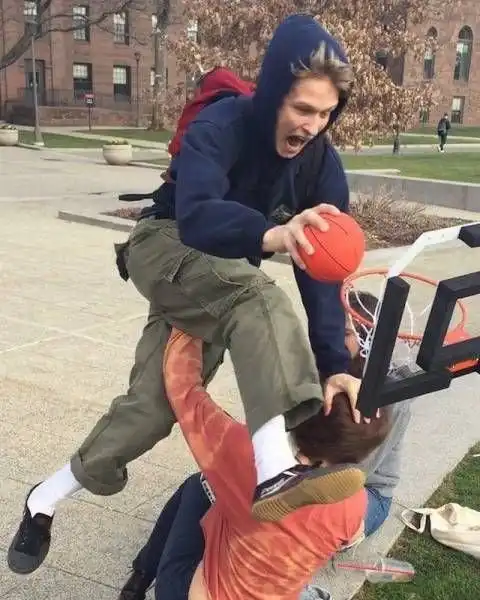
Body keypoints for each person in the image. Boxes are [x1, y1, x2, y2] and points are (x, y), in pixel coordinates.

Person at [8, 14, 363, 575]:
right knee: (261, 298)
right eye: (302, 109)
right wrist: (271, 234)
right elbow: (196, 215)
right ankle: (275, 469)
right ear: (274, 94)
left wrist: (335, 365)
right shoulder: (223, 124)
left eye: (325, 113)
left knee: (152, 408)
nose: (312, 125)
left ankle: (42, 499)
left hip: (218, 278)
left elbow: (320, 267)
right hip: (165, 242)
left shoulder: (320, 163)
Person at [118, 291, 412, 600]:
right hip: (296, 539)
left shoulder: (244, 452)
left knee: (205, 485)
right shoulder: (353, 504)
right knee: (227, 500)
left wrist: (185, 317)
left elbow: (184, 388)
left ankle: (141, 576)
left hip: (185, 593)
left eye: (345, 332)